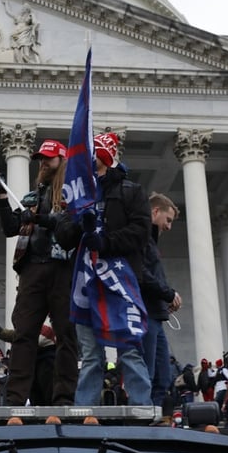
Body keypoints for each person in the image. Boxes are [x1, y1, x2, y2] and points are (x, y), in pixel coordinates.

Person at [0, 139, 81, 407]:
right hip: (32, 269)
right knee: (23, 335)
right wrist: (1, 196)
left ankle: (64, 398)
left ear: (62, 161)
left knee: (66, 335)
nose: (43, 163)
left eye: (49, 158)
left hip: (60, 269)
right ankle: (16, 399)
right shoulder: (34, 196)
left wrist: (39, 219)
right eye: (41, 158)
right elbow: (11, 227)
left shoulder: (70, 194)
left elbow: (68, 229)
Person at [72, 132, 153, 407]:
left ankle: (142, 406)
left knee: (129, 348)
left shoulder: (131, 190)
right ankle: (85, 410)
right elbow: (63, 230)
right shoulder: (80, 192)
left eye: (92, 154)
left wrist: (106, 242)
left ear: (102, 157)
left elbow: (141, 232)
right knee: (91, 353)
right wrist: (75, 225)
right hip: (87, 280)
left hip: (121, 279)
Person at [140, 192, 183, 409]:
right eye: (168, 220)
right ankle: (142, 418)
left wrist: (166, 299)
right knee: (147, 372)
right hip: (146, 314)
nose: (169, 226)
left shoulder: (151, 241)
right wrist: (168, 294)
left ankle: (152, 415)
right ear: (155, 212)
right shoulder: (141, 238)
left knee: (163, 376)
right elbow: (143, 275)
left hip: (156, 313)